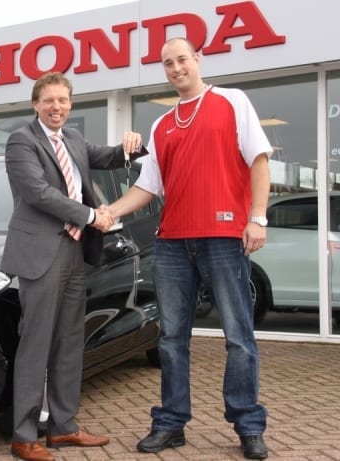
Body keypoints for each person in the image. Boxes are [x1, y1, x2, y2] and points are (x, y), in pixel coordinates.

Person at [107, 37, 271, 460]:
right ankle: (171, 422)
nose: (176, 67)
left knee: (238, 336)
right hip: (173, 244)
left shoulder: (232, 102)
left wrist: (258, 218)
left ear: (197, 60)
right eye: (168, 63)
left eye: (182, 59)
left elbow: (259, 160)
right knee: (170, 338)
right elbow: (147, 187)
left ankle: (248, 425)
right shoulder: (162, 124)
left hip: (223, 238)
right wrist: (109, 212)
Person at [1, 71, 146, 461]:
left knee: (69, 342)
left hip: (74, 251)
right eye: (49, 100)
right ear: (36, 104)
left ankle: (63, 427)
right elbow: (38, 193)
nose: (57, 107)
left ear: (70, 104)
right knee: (35, 345)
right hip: (41, 254)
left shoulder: (74, 140)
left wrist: (131, 146)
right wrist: (91, 215)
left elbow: (109, 157)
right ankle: (24, 436)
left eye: (63, 100)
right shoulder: (21, 141)